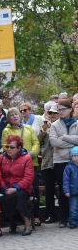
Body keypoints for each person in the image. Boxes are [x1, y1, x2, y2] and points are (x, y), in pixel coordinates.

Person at [2, 107, 40, 224]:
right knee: (19, 192)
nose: (15, 116)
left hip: (31, 161)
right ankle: (20, 219)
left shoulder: (28, 128)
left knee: (34, 190)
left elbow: (36, 142)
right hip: (16, 163)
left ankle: (36, 216)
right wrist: (19, 154)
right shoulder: (6, 130)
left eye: (16, 114)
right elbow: (5, 146)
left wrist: (31, 154)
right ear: (8, 118)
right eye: (12, 115)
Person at [48, 97, 78, 227]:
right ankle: (63, 218)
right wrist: (72, 144)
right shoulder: (54, 125)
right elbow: (53, 142)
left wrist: (64, 137)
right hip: (60, 160)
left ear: (70, 109)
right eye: (58, 110)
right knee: (62, 188)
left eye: (62, 109)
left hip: (75, 160)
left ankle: (74, 217)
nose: (60, 112)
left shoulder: (77, 123)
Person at [0, 134, 35, 235]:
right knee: (6, 197)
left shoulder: (26, 158)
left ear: (19, 148)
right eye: (7, 146)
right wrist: (4, 188)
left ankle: (28, 225)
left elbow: (29, 177)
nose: (8, 149)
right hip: (6, 187)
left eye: (12, 147)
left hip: (22, 188)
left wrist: (15, 188)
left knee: (18, 196)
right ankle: (12, 223)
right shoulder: (1, 158)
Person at [64, 147, 78, 228]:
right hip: (72, 192)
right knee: (73, 208)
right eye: (73, 156)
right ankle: (72, 222)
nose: (75, 158)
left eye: (77, 155)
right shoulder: (68, 167)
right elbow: (66, 180)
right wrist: (66, 191)